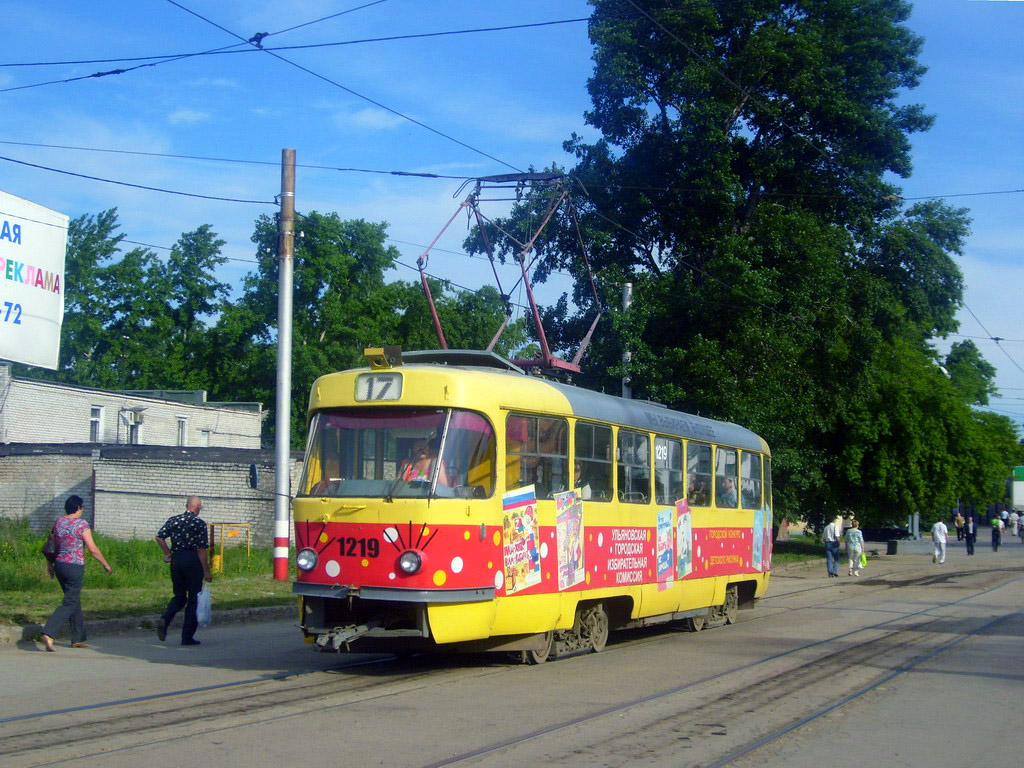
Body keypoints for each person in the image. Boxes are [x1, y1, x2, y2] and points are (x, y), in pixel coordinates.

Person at [39, 495, 113, 652]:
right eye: (82, 508)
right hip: (74, 566)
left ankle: (77, 638)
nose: (82, 510)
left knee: (73, 598)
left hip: (59, 565)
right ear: (78, 508)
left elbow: (51, 544)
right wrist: (105, 564)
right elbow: (92, 549)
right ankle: (49, 632)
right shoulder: (82, 524)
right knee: (70, 602)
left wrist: (49, 565)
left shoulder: (59, 521)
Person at [155, 495, 212, 646]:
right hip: (192, 560)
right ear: (197, 507)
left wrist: (168, 554)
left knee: (180, 596)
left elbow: (159, 537)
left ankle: (165, 618)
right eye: (200, 507)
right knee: (194, 598)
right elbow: (200, 550)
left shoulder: (174, 520)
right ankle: (187, 637)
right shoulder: (199, 523)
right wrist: (206, 571)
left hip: (177, 560)